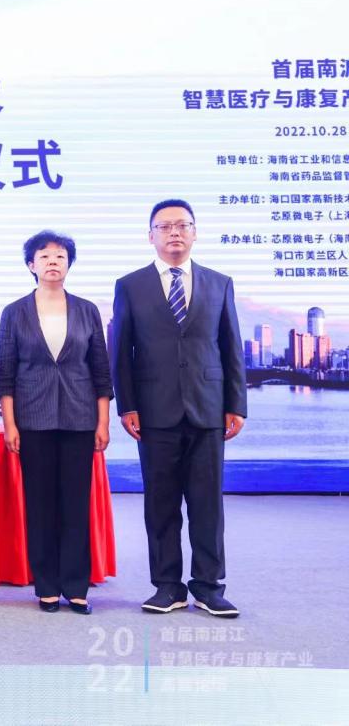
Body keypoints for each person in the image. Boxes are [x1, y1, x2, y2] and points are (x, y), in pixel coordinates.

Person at [112, 199, 246, 618]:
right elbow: (121, 352)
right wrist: (127, 405)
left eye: (182, 225)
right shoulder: (130, 285)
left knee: (208, 505)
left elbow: (231, 347)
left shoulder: (219, 283)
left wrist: (236, 404)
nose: (174, 232)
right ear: (150, 235)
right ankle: (168, 587)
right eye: (165, 226)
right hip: (154, 411)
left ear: (194, 232)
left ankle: (209, 586)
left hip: (209, 410)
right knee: (161, 504)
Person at [0, 231, 112, 615]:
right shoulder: (15, 312)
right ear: (31, 265)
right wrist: (10, 425)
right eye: (44, 256)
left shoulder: (87, 310)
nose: (52, 262)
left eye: (60, 256)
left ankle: (76, 587)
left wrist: (102, 422)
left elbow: (100, 371)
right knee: (41, 505)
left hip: (80, 419)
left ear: (69, 264)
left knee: (76, 505)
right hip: (33, 420)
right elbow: (6, 375)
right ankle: (46, 586)